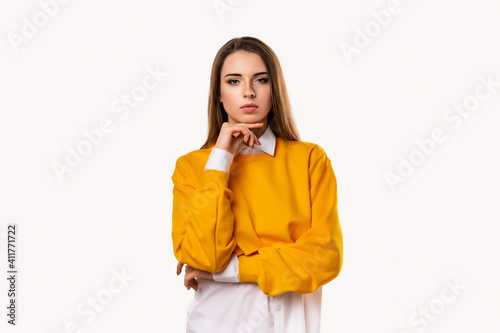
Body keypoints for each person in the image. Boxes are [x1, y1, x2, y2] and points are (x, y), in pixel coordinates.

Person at [171, 36, 343, 333]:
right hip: (216, 322)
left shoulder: (310, 160)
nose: (248, 92)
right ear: (219, 95)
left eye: (260, 80)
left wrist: (230, 272)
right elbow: (205, 257)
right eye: (234, 81)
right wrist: (221, 159)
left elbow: (325, 256)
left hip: (290, 321)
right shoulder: (192, 167)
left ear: (274, 90)